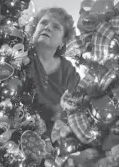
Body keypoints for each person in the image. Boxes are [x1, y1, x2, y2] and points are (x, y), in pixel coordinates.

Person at [24, 7, 80, 136]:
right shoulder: (19, 57)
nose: (47, 27)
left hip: (56, 142)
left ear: (63, 41)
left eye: (56, 27)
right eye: (43, 23)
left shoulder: (68, 71)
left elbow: (75, 108)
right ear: (34, 29)